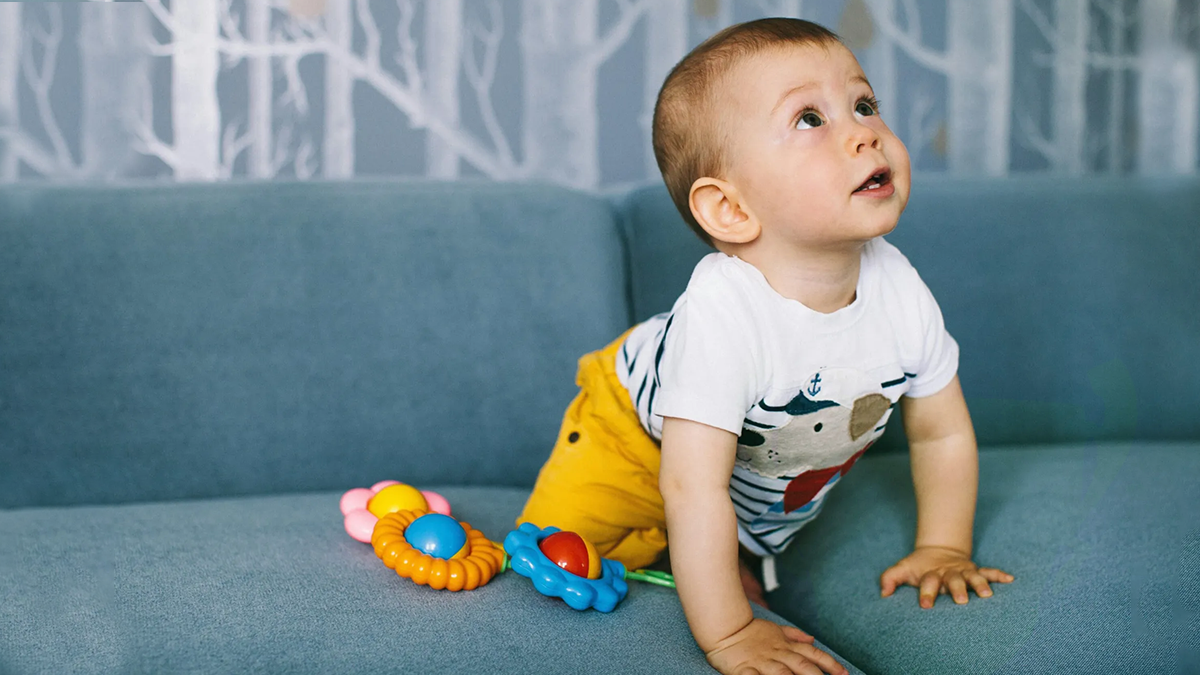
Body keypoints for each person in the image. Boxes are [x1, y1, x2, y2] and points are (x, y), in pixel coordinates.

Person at [518, 17, 1014, 675]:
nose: (864, 130)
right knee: (560, 549)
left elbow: (941, 435)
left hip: (749, 471)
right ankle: (673, 552)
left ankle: (718, 554)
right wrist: (729, 633)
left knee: (717, 523)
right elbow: (692, 485)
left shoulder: (900, 289)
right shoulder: (725, 312)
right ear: (731, 209)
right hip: (631, 434)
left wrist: (944, 546)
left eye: (863, 104)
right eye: (810, 119)